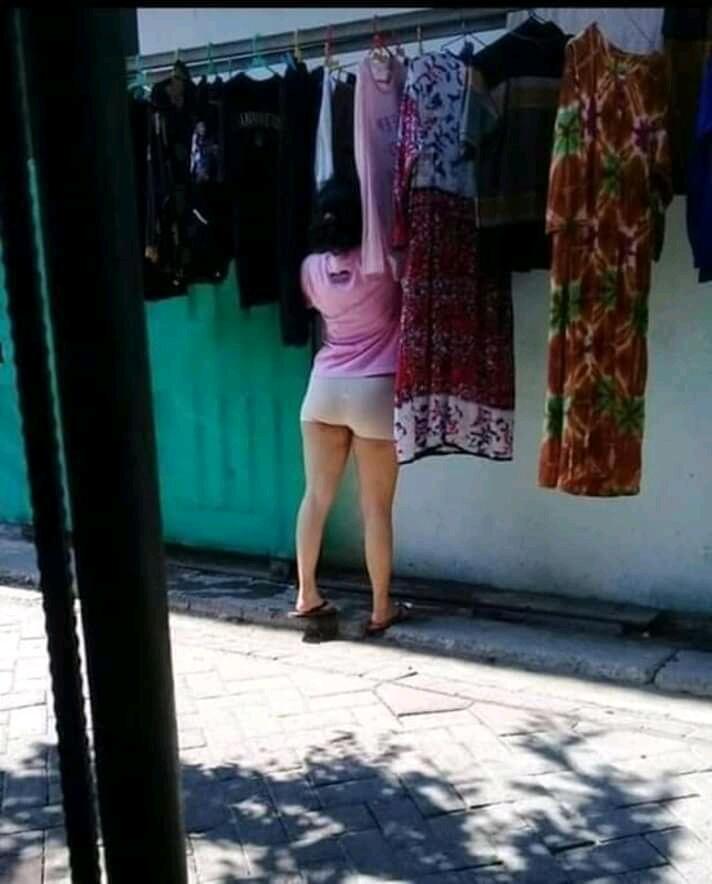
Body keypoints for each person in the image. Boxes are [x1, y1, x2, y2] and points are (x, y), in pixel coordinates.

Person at [292, 176, 407, 635]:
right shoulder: (385, 265)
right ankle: (381, 608)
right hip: (374, 388)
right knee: (375, 508)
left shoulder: (309, 269)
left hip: (323, 388)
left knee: (315, 497)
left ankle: (307, 593)